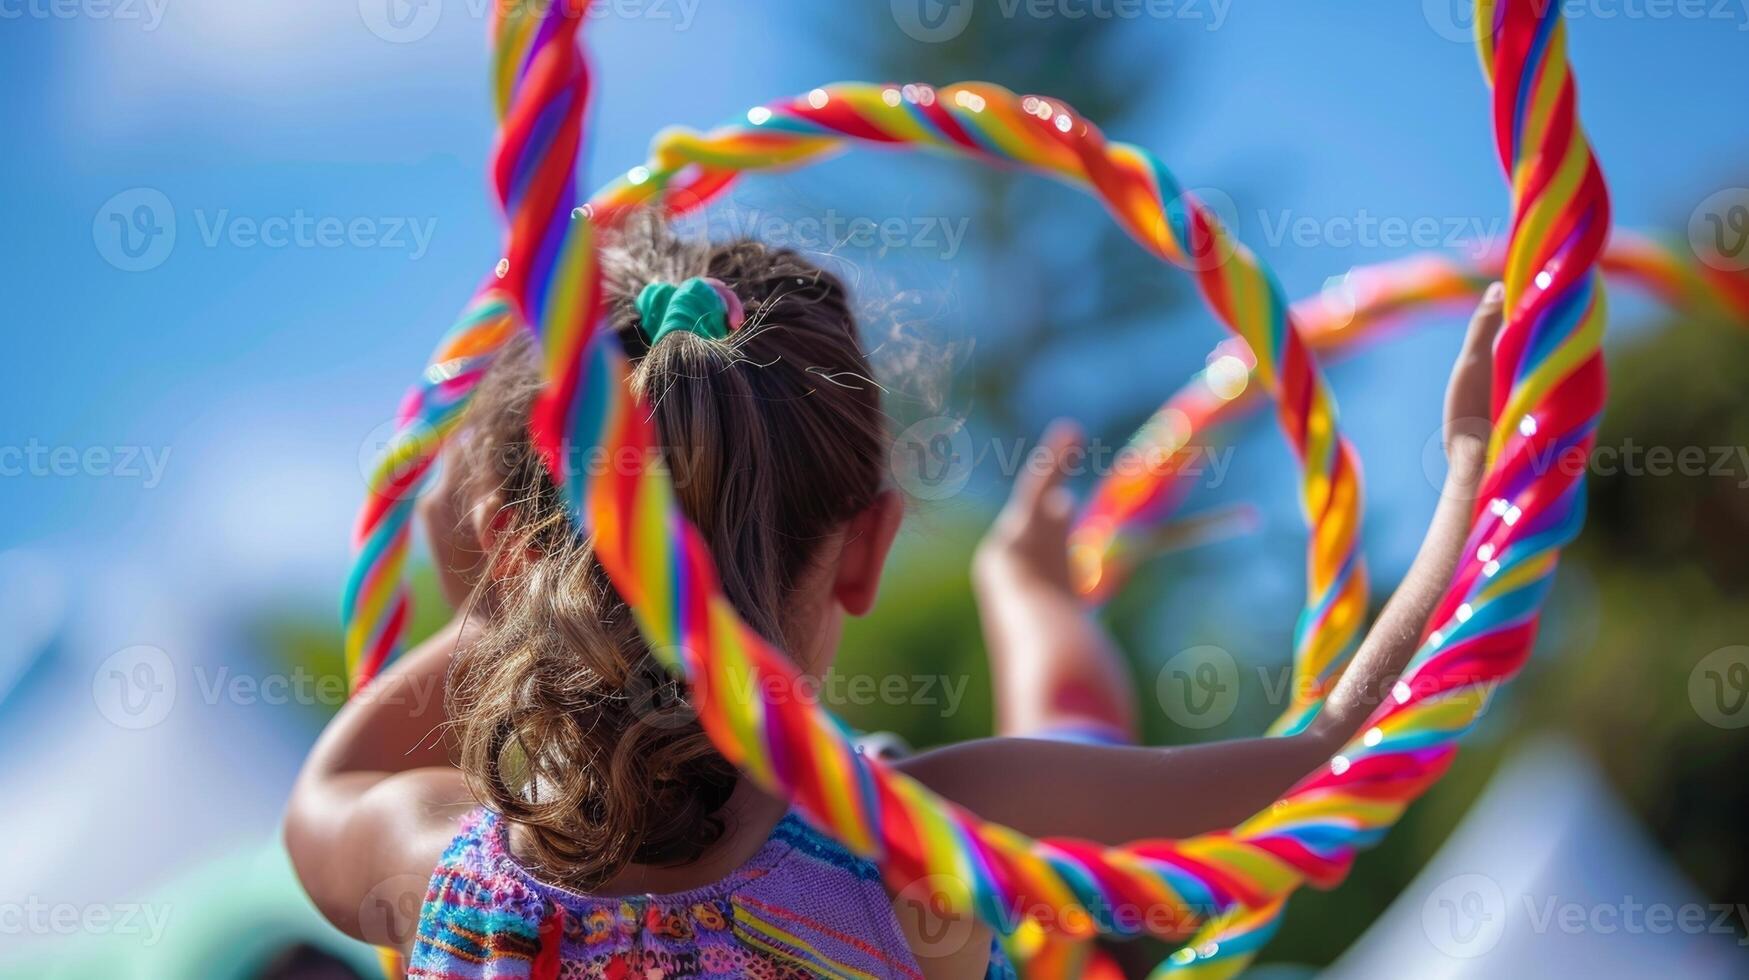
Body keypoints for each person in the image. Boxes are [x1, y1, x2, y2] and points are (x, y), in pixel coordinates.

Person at [285, 215, 1505, 979]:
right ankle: (1023, 590)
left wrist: (494, 603)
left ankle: (1023, 590)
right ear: (865, 551)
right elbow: (1332, 762)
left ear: (512, 547)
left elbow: (324, 793)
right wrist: (1475, 482)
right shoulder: (907, 848)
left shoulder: (442, 861)